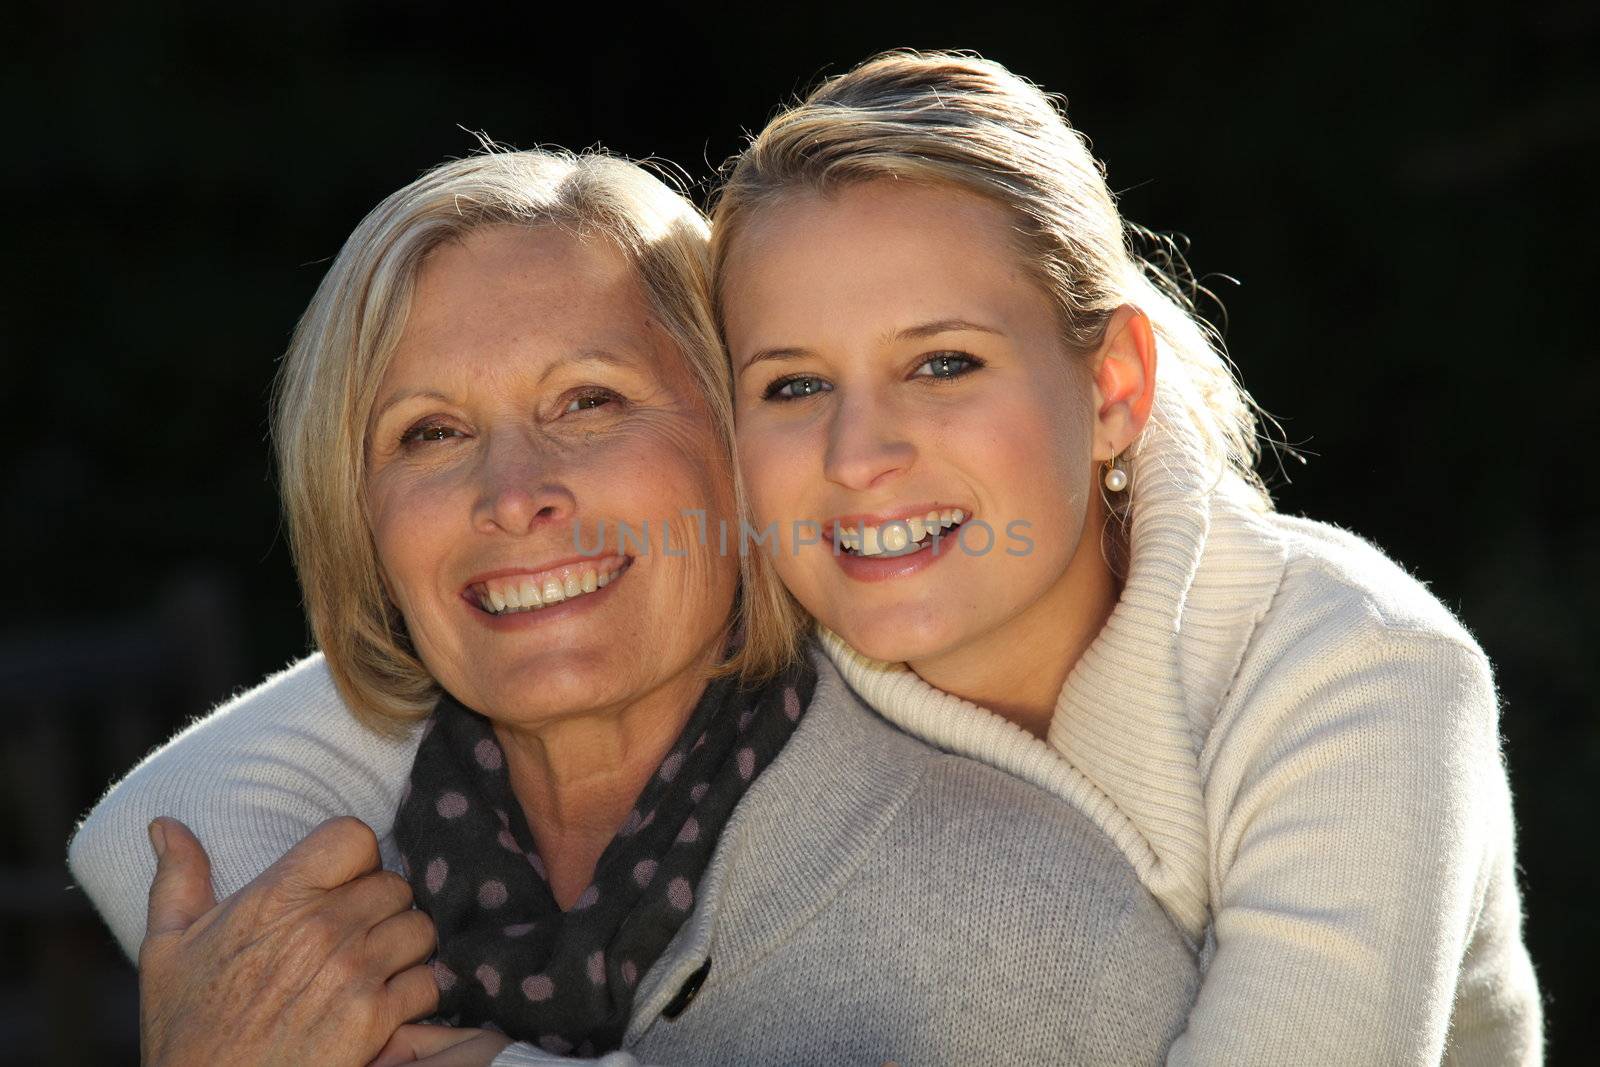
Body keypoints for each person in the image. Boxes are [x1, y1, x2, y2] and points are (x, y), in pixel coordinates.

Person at [69, 146, 1199, 1066]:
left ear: (738, 448)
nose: (513, 497)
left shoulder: (1029, 925)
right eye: (430, 431)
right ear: (357, 516)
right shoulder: (277, 936)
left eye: (589, 401)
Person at [710, 51, 1543, 1064]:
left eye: (943, 363)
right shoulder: (739, 696)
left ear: (1110, 387)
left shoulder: (1359, 671)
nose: (857, 456)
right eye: (794, 385)